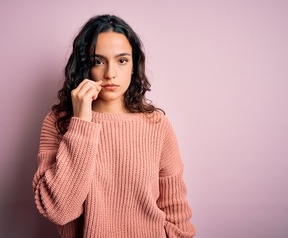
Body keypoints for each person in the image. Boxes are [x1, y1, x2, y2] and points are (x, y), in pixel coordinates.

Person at [32, 14, 196, 238]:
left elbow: (176, 210)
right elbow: (59, 211)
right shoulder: (58, 122)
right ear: (84, 66)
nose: (110, 73)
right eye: (98, 61)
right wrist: (81, 122)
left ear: (133, 65)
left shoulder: (157, 125)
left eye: (122, 60)